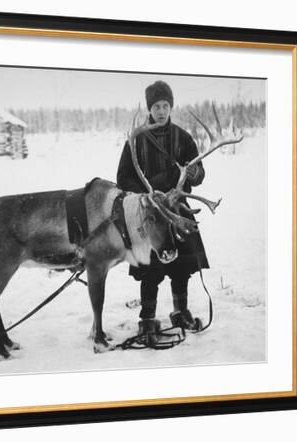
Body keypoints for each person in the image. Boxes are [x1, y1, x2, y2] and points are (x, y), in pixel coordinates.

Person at [116, 80, 209, 343]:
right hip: (150, 214)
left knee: (182, 267)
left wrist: (195, 172)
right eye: (156, 106)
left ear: (171, 106)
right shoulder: (136, 139)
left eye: (165, 105)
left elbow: (199, 172)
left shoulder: (183, 137)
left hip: (178, 211)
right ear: (149, 108)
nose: (161, 110)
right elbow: (123, 178)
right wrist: (150, 190)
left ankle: (180, 311)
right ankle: (147, 319)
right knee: (151, 270)